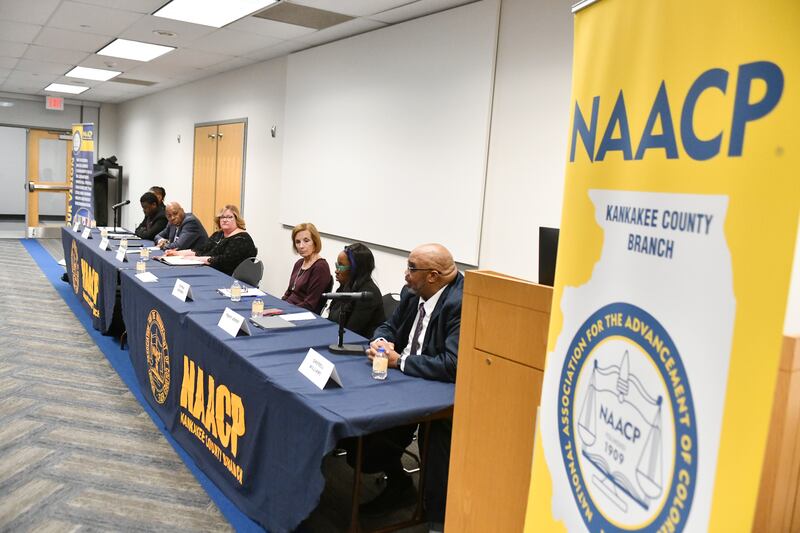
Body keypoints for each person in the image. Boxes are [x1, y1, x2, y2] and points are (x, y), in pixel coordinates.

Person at [350, 243, 463, 524]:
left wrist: (399, 360)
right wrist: (379, 340)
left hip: (437, 389)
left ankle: (436, 518)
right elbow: (389, 327)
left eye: (411, 268)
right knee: (360, 436)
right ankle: (399, 485)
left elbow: (452, 364)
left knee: (435, 439)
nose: (405, 274)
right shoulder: (413, 293)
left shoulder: (460, 304)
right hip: (403, 379)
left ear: (433, 276)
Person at [165, 205, 256, 276]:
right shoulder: (218, 234)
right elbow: (201, 250)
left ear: (237, 219)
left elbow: (224, 261)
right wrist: (178, 253)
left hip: (229, 278)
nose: (225, 220)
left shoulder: (241, 239)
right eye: (222, 217)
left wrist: (196, 259)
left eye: (229, 217)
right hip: (212, 271)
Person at [327, 243, 385, 338]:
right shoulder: (346, 286)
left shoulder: (368, 293)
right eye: (337, 265)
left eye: (341, 266)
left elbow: (351, 332)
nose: (336, 271)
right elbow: (332, 319)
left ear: (355, 269)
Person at [281, 223, 332, 314]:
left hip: (301, 314)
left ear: (315, 242)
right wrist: (278, 306)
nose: (301, 246)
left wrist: (283, 311)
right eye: (297, 242)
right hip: (288, 309)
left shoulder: (320, 267)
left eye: (306, 241)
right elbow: (288, 293)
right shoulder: (299, 263)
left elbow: (310, 305)